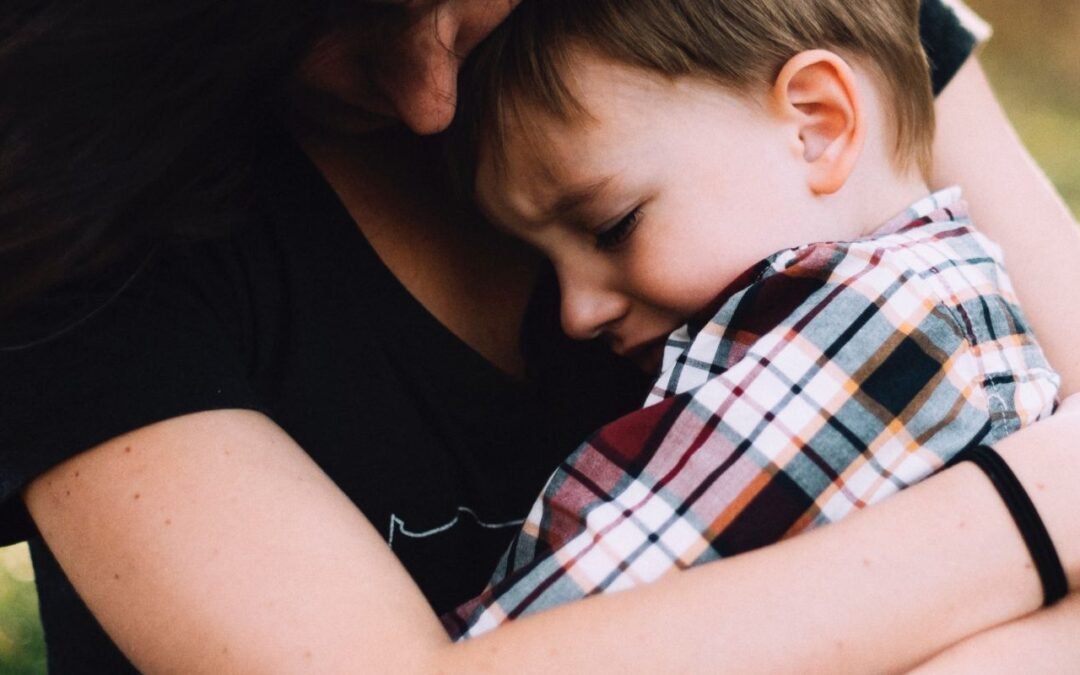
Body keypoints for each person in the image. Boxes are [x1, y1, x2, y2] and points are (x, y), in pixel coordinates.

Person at [0, 0, 1079, 672]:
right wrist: (1032, 511)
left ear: (817, 119)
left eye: (610, 224)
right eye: (329, 24)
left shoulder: (752, 30)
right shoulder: (74, 233)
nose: (432, 97)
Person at [442, 0, 1063, 637]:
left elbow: (560, 633)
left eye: (612, 227)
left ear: (817, 127)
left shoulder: (876, 331)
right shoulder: (931, 299)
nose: (575, 313)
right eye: (545, 265)